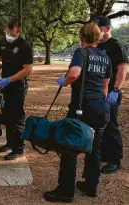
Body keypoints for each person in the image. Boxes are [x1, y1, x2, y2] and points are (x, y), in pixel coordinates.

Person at [44, 22, 112, 203]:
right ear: (98, 38)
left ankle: (65, 191)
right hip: (101, 107)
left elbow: (74, 74)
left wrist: (64, 82)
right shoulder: (105, 58)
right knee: (94, 147)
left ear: (81, 37)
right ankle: (91, 185)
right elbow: (105, 86)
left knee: (69, 146)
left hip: (83, 107)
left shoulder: (80, 53)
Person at [0, 18, 33, 160]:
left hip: (18, 86)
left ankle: (18, 148)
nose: (9, 36)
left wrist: (9, 79)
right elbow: (0, 59)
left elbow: (27, 70)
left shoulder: (25, 46)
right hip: (4, 85)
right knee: (6, 115)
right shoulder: (2, 42)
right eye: (7, 33)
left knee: (17, 118)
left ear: (18, 32)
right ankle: (10, 143)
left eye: (12, 34)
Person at [94, 16, 129, 174]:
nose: (95, 31)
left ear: (106, 28)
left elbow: (122, 69)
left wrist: (116, 90)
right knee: (101, 123)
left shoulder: (116, 45)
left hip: (112, 92)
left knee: (111, 124)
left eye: (98, 28)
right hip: (98, 91)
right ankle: (105, 153)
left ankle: (116, 159)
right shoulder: (96, 45)